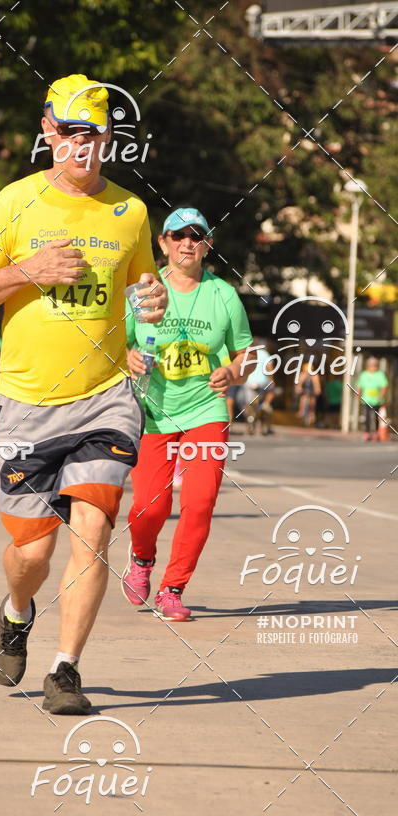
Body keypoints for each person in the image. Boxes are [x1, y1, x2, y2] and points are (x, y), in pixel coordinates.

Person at [0, 73, 167, 715]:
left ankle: (65, 669)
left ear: (109, 138)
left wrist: (153, 302)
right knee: (32, 551)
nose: (83, 145)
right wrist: (29, 270)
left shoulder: (130, 212)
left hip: (106, 396)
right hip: (26, 403)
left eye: (95, 134)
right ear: (48, 132)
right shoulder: (16, 202)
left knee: (93, 532)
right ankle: (16, 612)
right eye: (71, 132)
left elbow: (144, 290)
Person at [122, 206, 254, 621]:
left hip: (206, 409)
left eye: (196, 235)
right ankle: (141, 558)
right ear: (163, 243)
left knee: (199, 502)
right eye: (177, 235)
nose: (187, 243)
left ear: (207, 244)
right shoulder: (143, 291)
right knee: (150, 507)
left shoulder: (223, 294)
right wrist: (127, 357)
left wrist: (232, 371)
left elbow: (245, 352)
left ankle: (172, 589)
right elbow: (112, 343)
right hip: (153, 411)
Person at [244, 337, 275, 436]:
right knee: (271, 391)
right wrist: (272, 380)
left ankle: (250, 418)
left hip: (249, 382)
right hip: (262, 382)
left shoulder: (248, 354)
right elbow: (269, 368)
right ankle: (265, 405)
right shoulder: (265, 354)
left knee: (249, 403)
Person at [357, 357, 388, 440]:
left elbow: (384, 386)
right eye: (371, 366)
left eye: (375, 366)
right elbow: (360, 386)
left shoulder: (380, 375)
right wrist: (358, 396)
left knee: (376, 417)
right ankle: (367, 433)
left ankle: (376, 432)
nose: (373, 367)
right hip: (366, 400)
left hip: (377, 401)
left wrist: (381, 396)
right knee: (367, 417)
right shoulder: (364, 375)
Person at [295, 363, 321, 427]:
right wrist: (298, 388)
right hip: (305, 390)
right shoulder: (302, 375)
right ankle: (301, 411)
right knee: (303, 398)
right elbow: (299, 383)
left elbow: (317, 384)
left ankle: (312, 413)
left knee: (313, 400)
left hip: (312, 390)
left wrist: (317, 389)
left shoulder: (315, 375)